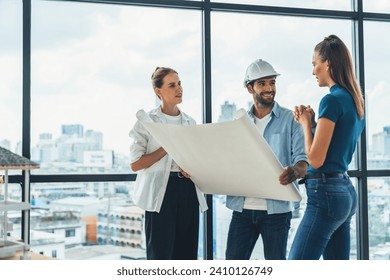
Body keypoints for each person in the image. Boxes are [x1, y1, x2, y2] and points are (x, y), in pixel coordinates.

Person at [288, 35, 365, 260]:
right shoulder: (354, 99)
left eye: (314, 64)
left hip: (325, 194)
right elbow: (336, 144)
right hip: (344, 190)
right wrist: (313, 124)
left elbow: (316, 160)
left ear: (328, 63)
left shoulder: (330, 101)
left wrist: (304, 124)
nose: (313, 71)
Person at [225, 59, 308, 260]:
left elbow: (303, 161)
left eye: (272, 82)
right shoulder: (239, 123)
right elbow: (228, 161)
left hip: (277, 212)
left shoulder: (291, 120)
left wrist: (295, 172)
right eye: (262, 84)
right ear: (249, 88)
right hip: (242, 209)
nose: (269, 88)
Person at [129, 67, 208, 260]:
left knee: (187, 255)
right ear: (159, 91)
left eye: (179, 83)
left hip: (188, 191)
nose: (179, 88)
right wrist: (167, 145)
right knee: (160, 256)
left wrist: (193, 168)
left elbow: (196, 159)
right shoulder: (147, 122)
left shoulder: (190, 122)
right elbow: (136, 164)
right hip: (161, 194)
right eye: (172, 85)